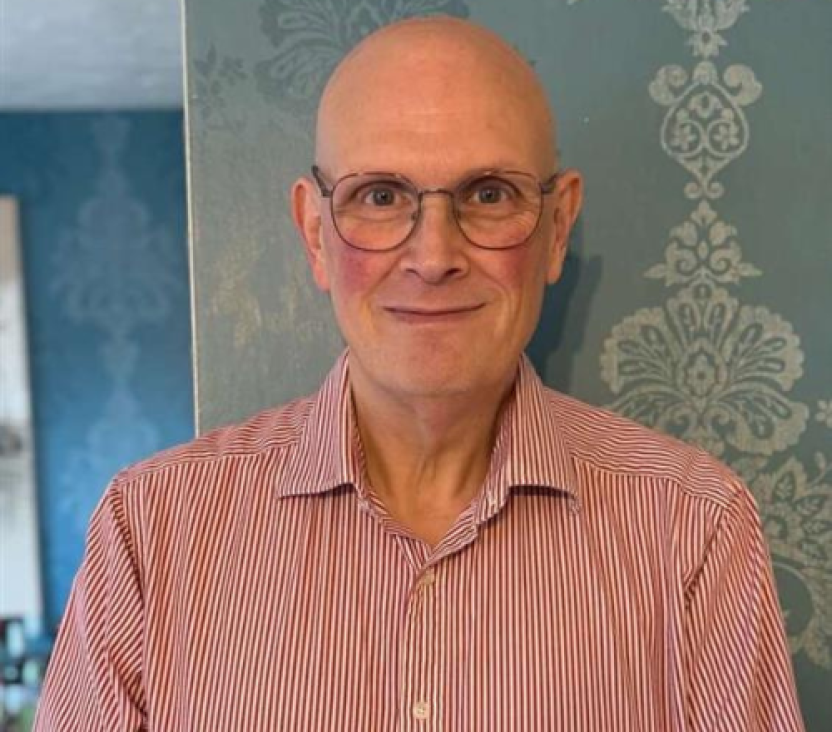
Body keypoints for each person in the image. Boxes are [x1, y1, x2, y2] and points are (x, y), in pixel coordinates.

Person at [35, 16, 804, 731]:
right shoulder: (151, 530)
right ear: (314, 233)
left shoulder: (693, 529)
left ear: (557, 227)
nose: (434, 256)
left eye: (489, 194)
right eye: (380, 196)